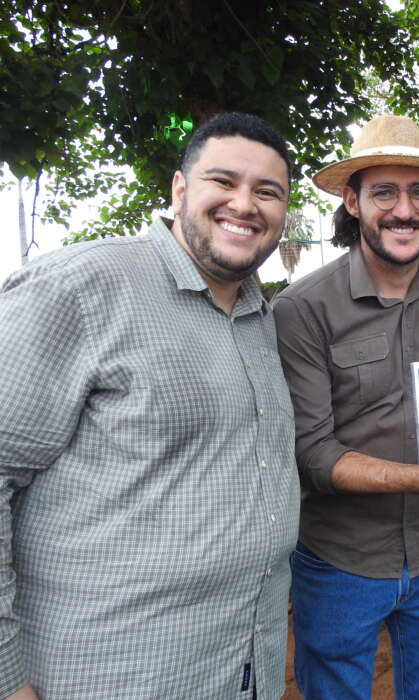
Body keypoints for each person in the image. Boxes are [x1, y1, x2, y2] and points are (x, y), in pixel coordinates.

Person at [0, 113, 300, 700]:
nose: (245, 204)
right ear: (179, 188)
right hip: (107, 674)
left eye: (268, 192)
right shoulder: (79, 287)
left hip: (242, 664)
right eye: (224, 181)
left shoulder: (258, 316)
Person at [273, 115, 419, 700]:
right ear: (352, 201)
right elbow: (313, 453)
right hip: (340, 562)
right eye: (384, 192)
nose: (404, 210)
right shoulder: (303, 307)